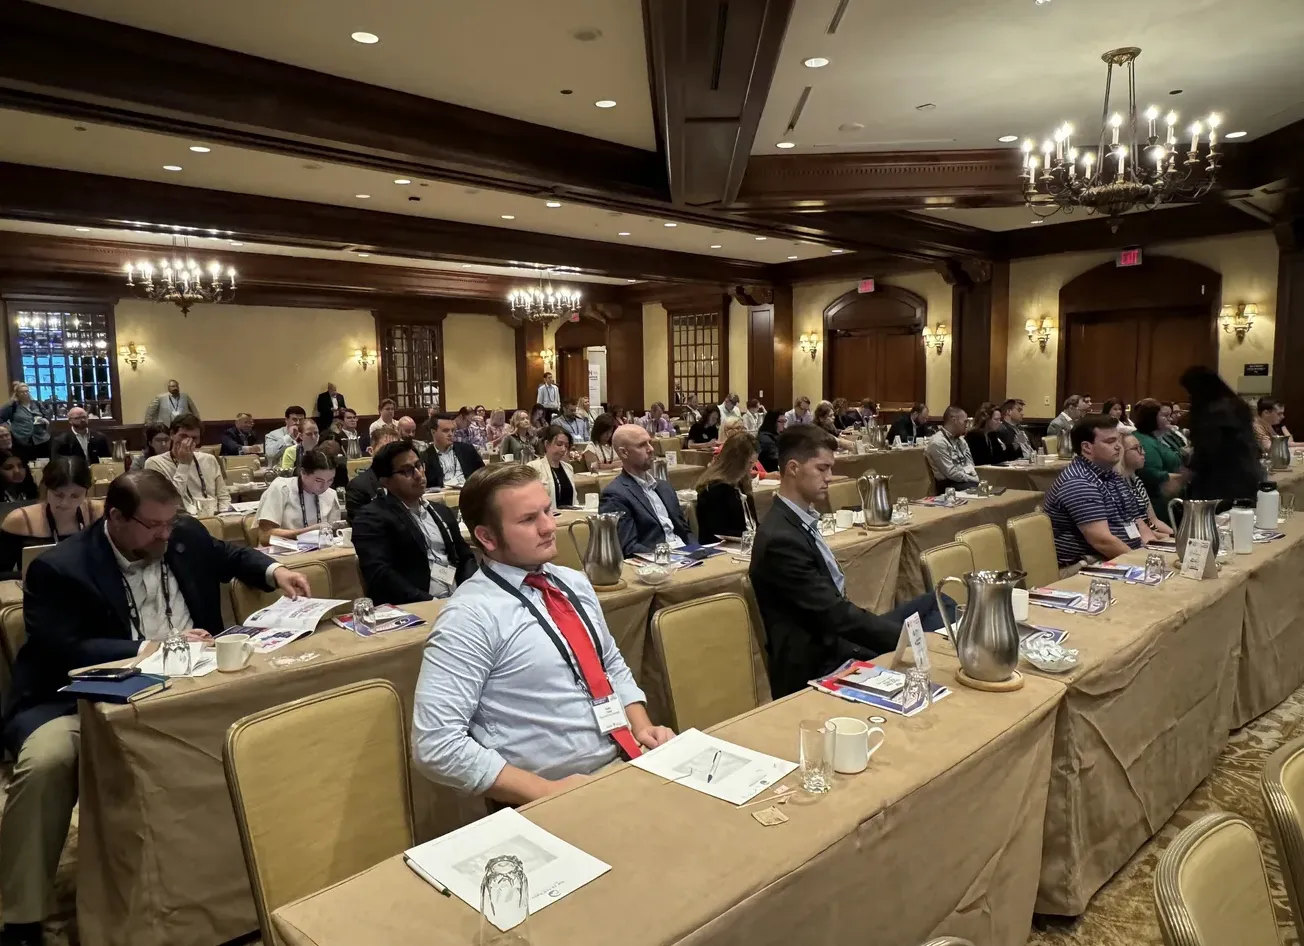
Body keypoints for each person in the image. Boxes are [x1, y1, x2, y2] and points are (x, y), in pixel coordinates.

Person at [0, 471, 310, 946]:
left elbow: (230, 555)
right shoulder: (61, 567)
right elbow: (60, 649)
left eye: (171, 523)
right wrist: (150, 648)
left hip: (194, 688)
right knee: (48, 763)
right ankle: (21, 914)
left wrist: (274, 572)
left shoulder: (180, 534)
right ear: (117, 517)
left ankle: (240, 879)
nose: (167, 534)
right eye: (154, 526)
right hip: (81, 699)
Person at [411, 463, 674, 803]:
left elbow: (608, 664)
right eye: (528, 519)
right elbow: (436, 744)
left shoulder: (573, 583)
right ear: (487, 537)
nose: (550, 526)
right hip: (555, 793)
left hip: (626, 761)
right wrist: (547, 792)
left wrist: (642, 727)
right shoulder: (470, 617)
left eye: (548, 511)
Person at [749, 424, 955, 698]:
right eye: (822, 469)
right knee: (929, 638)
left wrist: (908, 638)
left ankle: (936, 659)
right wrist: (905, 640)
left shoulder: (797, 520)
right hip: (823, 656)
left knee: (939, 603)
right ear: (793, 468)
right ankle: (938, 666)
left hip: (838, 634)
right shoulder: (780, 539)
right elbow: (836, 616)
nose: (830, 477)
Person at [353, 440, 475, 605]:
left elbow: (466, 557)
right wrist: (430, 602)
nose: (418, 474)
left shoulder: (440, 511)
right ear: (385, 481)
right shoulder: (370, 518)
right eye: (407, 471)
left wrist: (469, 591)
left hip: (458, 600)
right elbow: (380, 575)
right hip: (415, 606)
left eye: (419, 465)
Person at [1044, 415, 1156, 566]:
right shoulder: (1080, 482)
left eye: (1117, 440)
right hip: (1085, 564)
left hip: (1120, 556)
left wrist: (1153, 554)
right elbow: (1102, 541)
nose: (1118, 446)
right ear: (1086, 447)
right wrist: (1142, 564)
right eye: (1110, 441)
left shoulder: (1113, 475)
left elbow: (1139, 524)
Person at [0, 456, 100, 578]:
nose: (65, 503)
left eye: (75, 496)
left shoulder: (97, 512)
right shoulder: (19, 520)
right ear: (45, 489)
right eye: (58, 495)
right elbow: (2, 573)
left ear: (87, 492)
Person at [600, 424, 693, 555]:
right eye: (642, 445)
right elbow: (629, 547)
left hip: (686, 554)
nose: (650, 449)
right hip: (657, 561)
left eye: (650, 443)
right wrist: (668, 557)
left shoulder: (664, 486)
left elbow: (684, 531)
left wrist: (700, 551)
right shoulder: (615, 495)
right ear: (623, 452)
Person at [1181, 366, 1261, 503]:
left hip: (1221, 479)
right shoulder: (1236, 404)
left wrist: (1189, 470)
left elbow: (1209, 447)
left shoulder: (1215, 411)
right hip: (1246, 471)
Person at [144, 414, 230, 515]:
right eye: (183, 436)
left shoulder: (209, 459)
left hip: (214, 516)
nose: (187, 442)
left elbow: (223, 497)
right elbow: (169, 501)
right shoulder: (154, 463)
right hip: (181, 519)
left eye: (194, 438)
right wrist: (184, 465)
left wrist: (224, 515)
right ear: (172, 435)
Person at [256, 449, 341, 544]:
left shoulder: (331, 494)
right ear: (303, 472)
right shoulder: (281, 488)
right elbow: (265, 536)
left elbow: (333, 536)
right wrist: (308, 532)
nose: (324, 487)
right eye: (318, 480)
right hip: (283, 552)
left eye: (330, 480)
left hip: (318, 551)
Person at [694, 433, 760, 543]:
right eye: (749, 463)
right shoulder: (714, 489)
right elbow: (718, 531)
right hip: (722, 548)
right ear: (736, 463)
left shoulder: (740, 484)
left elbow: (752, 523)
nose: (751, 469)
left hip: (745, 543)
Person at [1131, 399, 1187, 526]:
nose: (1170, 419)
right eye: (1165, 416)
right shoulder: (1143, 440)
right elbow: (1150, 473)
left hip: (1172, 500)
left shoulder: (1162, 436)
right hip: (1158, 504)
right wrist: (1183, 477)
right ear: (1151, 418)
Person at [1119, 433, 1174, 538]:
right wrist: (1170, 539)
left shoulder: (1136, 480)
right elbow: (1139, 529)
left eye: (1141, 447)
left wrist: (1177, 536)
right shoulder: (1118, 485)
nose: (1143, 453)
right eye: (1136, 448)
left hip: (1150, 534)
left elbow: (1153, 521)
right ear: (1120, 452)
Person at [343, 426, 399, 522]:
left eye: (396, 448)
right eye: (384, 448)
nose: (391, 453)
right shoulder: (358, 486)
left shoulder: (407, 479)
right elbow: (361, 526)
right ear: (371, 451)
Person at [925, 406, 979, 491]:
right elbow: (951, 473)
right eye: (965, 421)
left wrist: (977, 477)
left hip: (966, 480)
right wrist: (976, 480)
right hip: (949, 485)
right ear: (954, 420)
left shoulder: (961, 440)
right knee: (978, 488)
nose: (967, 425)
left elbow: (970, 464)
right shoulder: (938, 442)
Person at [425, 415, 485, 489]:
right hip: (441, 495)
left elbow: (483, 473)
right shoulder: (426, 456)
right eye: (446, 431)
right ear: (433, 432)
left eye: (453, 430)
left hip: (467, 492)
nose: (450, 434)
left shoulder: (467, 450)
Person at [527, 425, 578, 509]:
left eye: (566, 446)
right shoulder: (534, 467)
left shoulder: (568, 468)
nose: (563, 449)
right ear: (547, 444)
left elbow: (574, 500)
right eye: (559, 444)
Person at [0, 383, 51, 462]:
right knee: (25, 462)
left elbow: (46, 415)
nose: (25, 394)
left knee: (43, 462)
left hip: (41, 439)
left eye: (27, 391)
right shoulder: (12, 406)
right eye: (22, 392)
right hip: (21, 440)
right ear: (17, 394)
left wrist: (44, 420)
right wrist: (7, 428)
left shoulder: (36, 404)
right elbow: (1, 417)